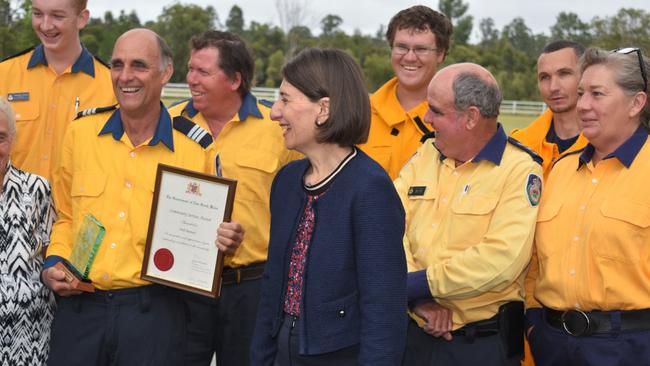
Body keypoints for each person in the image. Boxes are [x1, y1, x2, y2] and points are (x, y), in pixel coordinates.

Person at [40, 29, 244, 366]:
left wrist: (224, 241)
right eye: (117, 65)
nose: (125, 76)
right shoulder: (81, 134)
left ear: (166, 73)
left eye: (139, 65)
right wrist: (53, 262)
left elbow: (207, 237)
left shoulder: (197, 150)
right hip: (81, 310)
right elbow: (65, 216)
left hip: (155, 314)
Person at [250, 48, 407, 366]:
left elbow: (384, 310)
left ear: (323, 109)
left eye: (286, 100)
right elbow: (272, 287)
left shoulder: (370, 188)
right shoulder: (287, 182)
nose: (274, 112)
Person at [396, 62, 543, 366]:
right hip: (412, 334)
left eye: (435, 110)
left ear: (471, 117)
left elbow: (500, 260)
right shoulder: (426, 154)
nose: (426, 118)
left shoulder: (519, 170)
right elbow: (389, 225)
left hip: (480, 346)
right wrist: (417, 298)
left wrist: (419, 284)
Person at [168, 30, 300, 366]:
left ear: (234, 80)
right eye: (190, 69)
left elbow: (302, 208)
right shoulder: (167, 124)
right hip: (180, 287)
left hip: (251, 289)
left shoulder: (278, 129)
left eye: (204, 72)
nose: (191, 79)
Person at [525, 47, 650, 366]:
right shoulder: (559, 171)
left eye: (597, 94)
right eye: (581, 93)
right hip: (551, 345)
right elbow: (534, 264)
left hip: (631, 348)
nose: (582, 105)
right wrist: (534, 325)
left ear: (636, 103)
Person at [0, 0, 115, 181]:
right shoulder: (4, 74)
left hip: (76, 208)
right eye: (38, 14)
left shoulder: (111, 86)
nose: (45, 25)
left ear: (82, 19)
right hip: (12, 206)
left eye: (57, 16)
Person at [358, 5, 453, 180]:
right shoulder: (360, 114)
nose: (409, 57)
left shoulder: (457, 120)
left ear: (441, 54)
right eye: (401, 47)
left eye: (421, 49)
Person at [0, 97, 56, 364]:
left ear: (12, 139)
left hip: (30, 340)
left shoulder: (38, 189)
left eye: (0, 137)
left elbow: (53, 253)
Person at [511, 40, 588, 179]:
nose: (553, 87)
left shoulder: (607, 146)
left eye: (564, 73)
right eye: (545, 77)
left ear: (586, 76)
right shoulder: (519, 146)